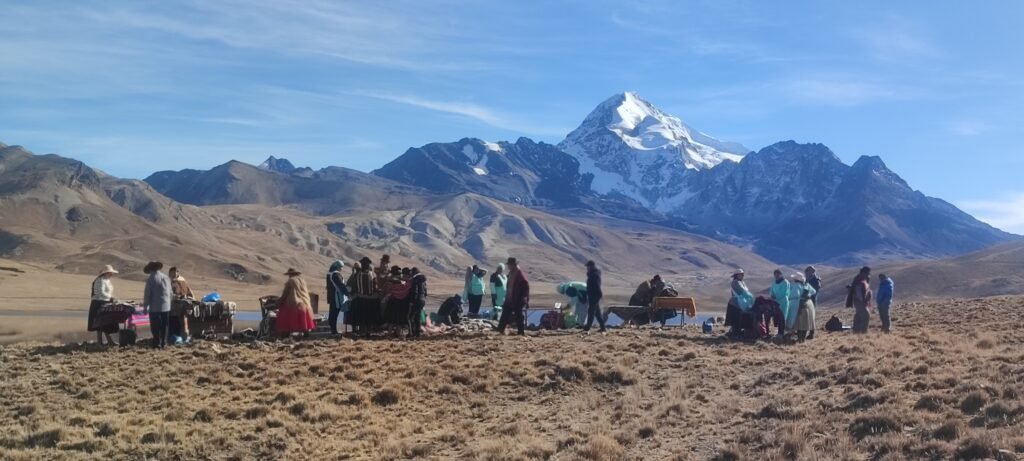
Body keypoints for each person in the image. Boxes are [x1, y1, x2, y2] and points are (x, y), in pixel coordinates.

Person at [276, 268, 316, 337]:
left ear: (290, 275)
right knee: (303, 320)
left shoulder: (290, 281)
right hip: (305, 304)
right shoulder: (302, 281)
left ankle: (286, 334)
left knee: (283, 313)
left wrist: (279, 302)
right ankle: (306, 333)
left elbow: (285, 294)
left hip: (293, 304)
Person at [143, 261, 172, 349]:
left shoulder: (151, 279)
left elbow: (147, 294)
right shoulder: (166, 277)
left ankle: (157, 344)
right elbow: (170, 293)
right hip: (166, 306)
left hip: (155, 307)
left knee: (155, 327)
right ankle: (164, 343)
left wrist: (145, 306)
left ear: (150, 269)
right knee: (164, 326)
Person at [347, 258, 379, 337]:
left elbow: (352, 286)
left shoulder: (357, 275)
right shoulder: (373, 274)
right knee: (369, 316)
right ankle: (368, 332)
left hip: (360, 299)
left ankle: (362, 332)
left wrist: (353, 294)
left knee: (361, 317)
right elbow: (375, 286)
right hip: (370, 299)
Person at [497, 257, 529, 336]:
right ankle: (500, 329)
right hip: (510, 297)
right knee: (505, 313)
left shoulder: (519, 274)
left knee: (518, 315)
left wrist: (524, 298)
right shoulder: (511, 273)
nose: (508, 266)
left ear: (513, 265)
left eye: (509, 265)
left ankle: (521, 332)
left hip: (518, 298)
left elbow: (525, 286)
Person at [88, 265, 120, 345]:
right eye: (110, 273)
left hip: (105, 302)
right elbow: (101, 293)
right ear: (106, 273)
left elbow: (108, 292)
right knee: (100, 323)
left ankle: (109, 341)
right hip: (98, 303)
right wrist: (111, 298)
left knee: (106, 323)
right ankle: (100, 342)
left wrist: (111, 298)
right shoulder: (100, 280)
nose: (112, 274)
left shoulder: (107, 280)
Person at [167, 267, 194, 343]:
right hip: (172, 306)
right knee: (172, 321)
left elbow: (188, 290)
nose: (174, 274)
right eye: (173, 272)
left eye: (176, 272)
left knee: (179, 322)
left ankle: (179, 337)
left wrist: (191, 297)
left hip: (181, 306)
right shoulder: (168, 281)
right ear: (169, 273)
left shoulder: (182, 280)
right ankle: (174, 337)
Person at [725, 269, 754, 338]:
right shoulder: (735, 282)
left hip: (742, 302)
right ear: (736, 275)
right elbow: (742, 292)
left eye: (742, 274)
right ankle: (735, 334)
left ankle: (740, 332)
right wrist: (750, 296)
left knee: (741, 318)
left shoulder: (742, 282)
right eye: (740, 274)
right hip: (735, 303)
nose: (742, 276)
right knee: (736, 319)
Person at [326, 260, 350, 336]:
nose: (342, 269)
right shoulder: (335, 274)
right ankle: (334, 331)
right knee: (334, 314)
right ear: (338, 267)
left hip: (331, 297)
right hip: (336, 297)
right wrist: (347, 293)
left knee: (332, 313)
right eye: (341, 267)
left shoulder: (329, 274)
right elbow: (341, 285)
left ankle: (333, 330)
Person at [791, 273, 817, 342]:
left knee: (800, 323)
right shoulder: (806, 285)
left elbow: (795, 295)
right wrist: (808, 295)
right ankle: (803, 339)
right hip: (809, 304)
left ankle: (800, 339)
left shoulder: (796, 285)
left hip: (800, 304)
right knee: (806, 322)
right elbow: (814, 291)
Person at [847, 267, 873, 334]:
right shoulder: (861, 281)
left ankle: (856, 331)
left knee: (858, 316)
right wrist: (863, 301)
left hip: (857, 301)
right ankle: (863, 332)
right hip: (860, 302)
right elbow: (859, 292)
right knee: (866, 316)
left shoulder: (858, 279)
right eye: (868, 273)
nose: (869, 275)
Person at [583, 261, 606, 333]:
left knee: (591, 311)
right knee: (597, 312)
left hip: (594, 295)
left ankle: (588, 327)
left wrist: (596, 294)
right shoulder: (594, 274)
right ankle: (603, 327)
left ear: (591, 266)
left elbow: (596, 286)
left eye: (588, 266)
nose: (587, 268)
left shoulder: (594, 275)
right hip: (594, 295)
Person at [769, 270, 792, 339]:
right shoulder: (774, 283)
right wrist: (772, 296)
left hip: (783, 302)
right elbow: (771, 291)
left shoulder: (785, 282)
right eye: (775, 275)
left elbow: (783, 293)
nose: (776, 276)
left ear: (781, 274)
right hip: (775, 303)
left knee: (782, 317)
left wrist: (775, 298)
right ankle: (779, 332)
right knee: (777, 317)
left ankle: (781, 333)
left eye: (777, 274)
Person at [408, 268, 427, 338]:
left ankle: (411, 333)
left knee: (410, 317)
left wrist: (412, 301)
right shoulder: (423, 281)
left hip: (417, 300)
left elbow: (414, 291)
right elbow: (425, 292)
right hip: (422, 300)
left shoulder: (415, 280)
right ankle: (418, 333)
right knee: (417, 316)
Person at [804, 266, 821, 339]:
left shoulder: (815, 280)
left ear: (810, 272)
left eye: (807, 272)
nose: (806, 274)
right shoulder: (808, 279)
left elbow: (815, 291)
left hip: (811, 300)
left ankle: (811, 333)